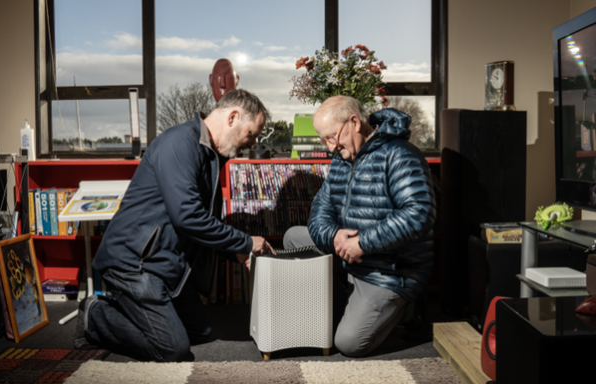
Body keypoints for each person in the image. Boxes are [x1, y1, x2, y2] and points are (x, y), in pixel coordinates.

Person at [74, 89, 274, 362]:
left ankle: (140, 314)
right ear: (233, 117)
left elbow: (204, 223)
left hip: (166, 265)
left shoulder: (213, 156)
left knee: (200, 331)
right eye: (251, 133)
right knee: (173, 349)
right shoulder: (179, 143)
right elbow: (188, 216)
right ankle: (94, 314)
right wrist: (247, 242)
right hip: (134, 263)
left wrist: (234, 251)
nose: (252, 144)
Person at [284, 95, 436, 357]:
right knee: (293, 238)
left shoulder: (400, 154)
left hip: (389, 271)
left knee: (348, 344)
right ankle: (336, 305)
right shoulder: (342, 160)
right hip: (348, 260)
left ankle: (405, 308)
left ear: (354, 122)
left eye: (332, 137)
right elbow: (319, 210)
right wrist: (333, 237)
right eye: (324, 140)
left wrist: (362, 243)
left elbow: (419, 213)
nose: (330, 147)